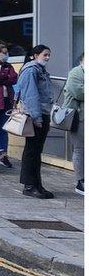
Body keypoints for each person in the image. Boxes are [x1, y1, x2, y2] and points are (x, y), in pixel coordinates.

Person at [17, 45, 55, 199]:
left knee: (36, 151)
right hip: (34, 116)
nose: (47, 58)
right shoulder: (31, 70)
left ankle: (37, 184)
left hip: (41, 114)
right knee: (32, 151)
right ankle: (29, 186)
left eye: (49, 55)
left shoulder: (40, 70)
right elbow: (31, 95)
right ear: (34, 55)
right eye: (45, 55)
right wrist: (37, 118)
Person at [61, 55, 84, 194]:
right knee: (80, 149)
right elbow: (78, 92)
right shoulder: (76, 72)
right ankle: (81, 181)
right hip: (80, 117)